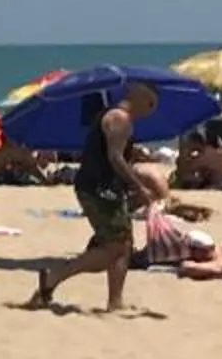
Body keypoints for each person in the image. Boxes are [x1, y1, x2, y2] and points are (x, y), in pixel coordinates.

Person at [27, 80, 163, 312]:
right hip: (99, 188)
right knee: (115, 248)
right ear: (138, 96)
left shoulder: (114, 117)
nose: (151, 111)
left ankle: (115, 301)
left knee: (123, 243)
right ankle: (54, 277)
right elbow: (115, 157)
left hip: (103, 186)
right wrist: (139, 187)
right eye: (150, 103)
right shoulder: (120, 118)